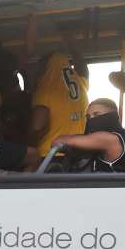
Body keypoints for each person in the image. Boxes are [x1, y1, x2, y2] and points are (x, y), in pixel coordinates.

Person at [26, 21, 89, 159]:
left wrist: (27, 143)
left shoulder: (46, 89)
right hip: (79, 154)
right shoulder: (79, 83)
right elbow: (83, 68)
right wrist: (71, 43)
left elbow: (37, 125)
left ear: (45, 68)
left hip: (51, 155)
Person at [51, 98, 125, 173]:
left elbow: (57, 141)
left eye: (97, 115)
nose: (91, 120)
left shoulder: (110, 139)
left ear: (112, 116)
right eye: (88, 117)